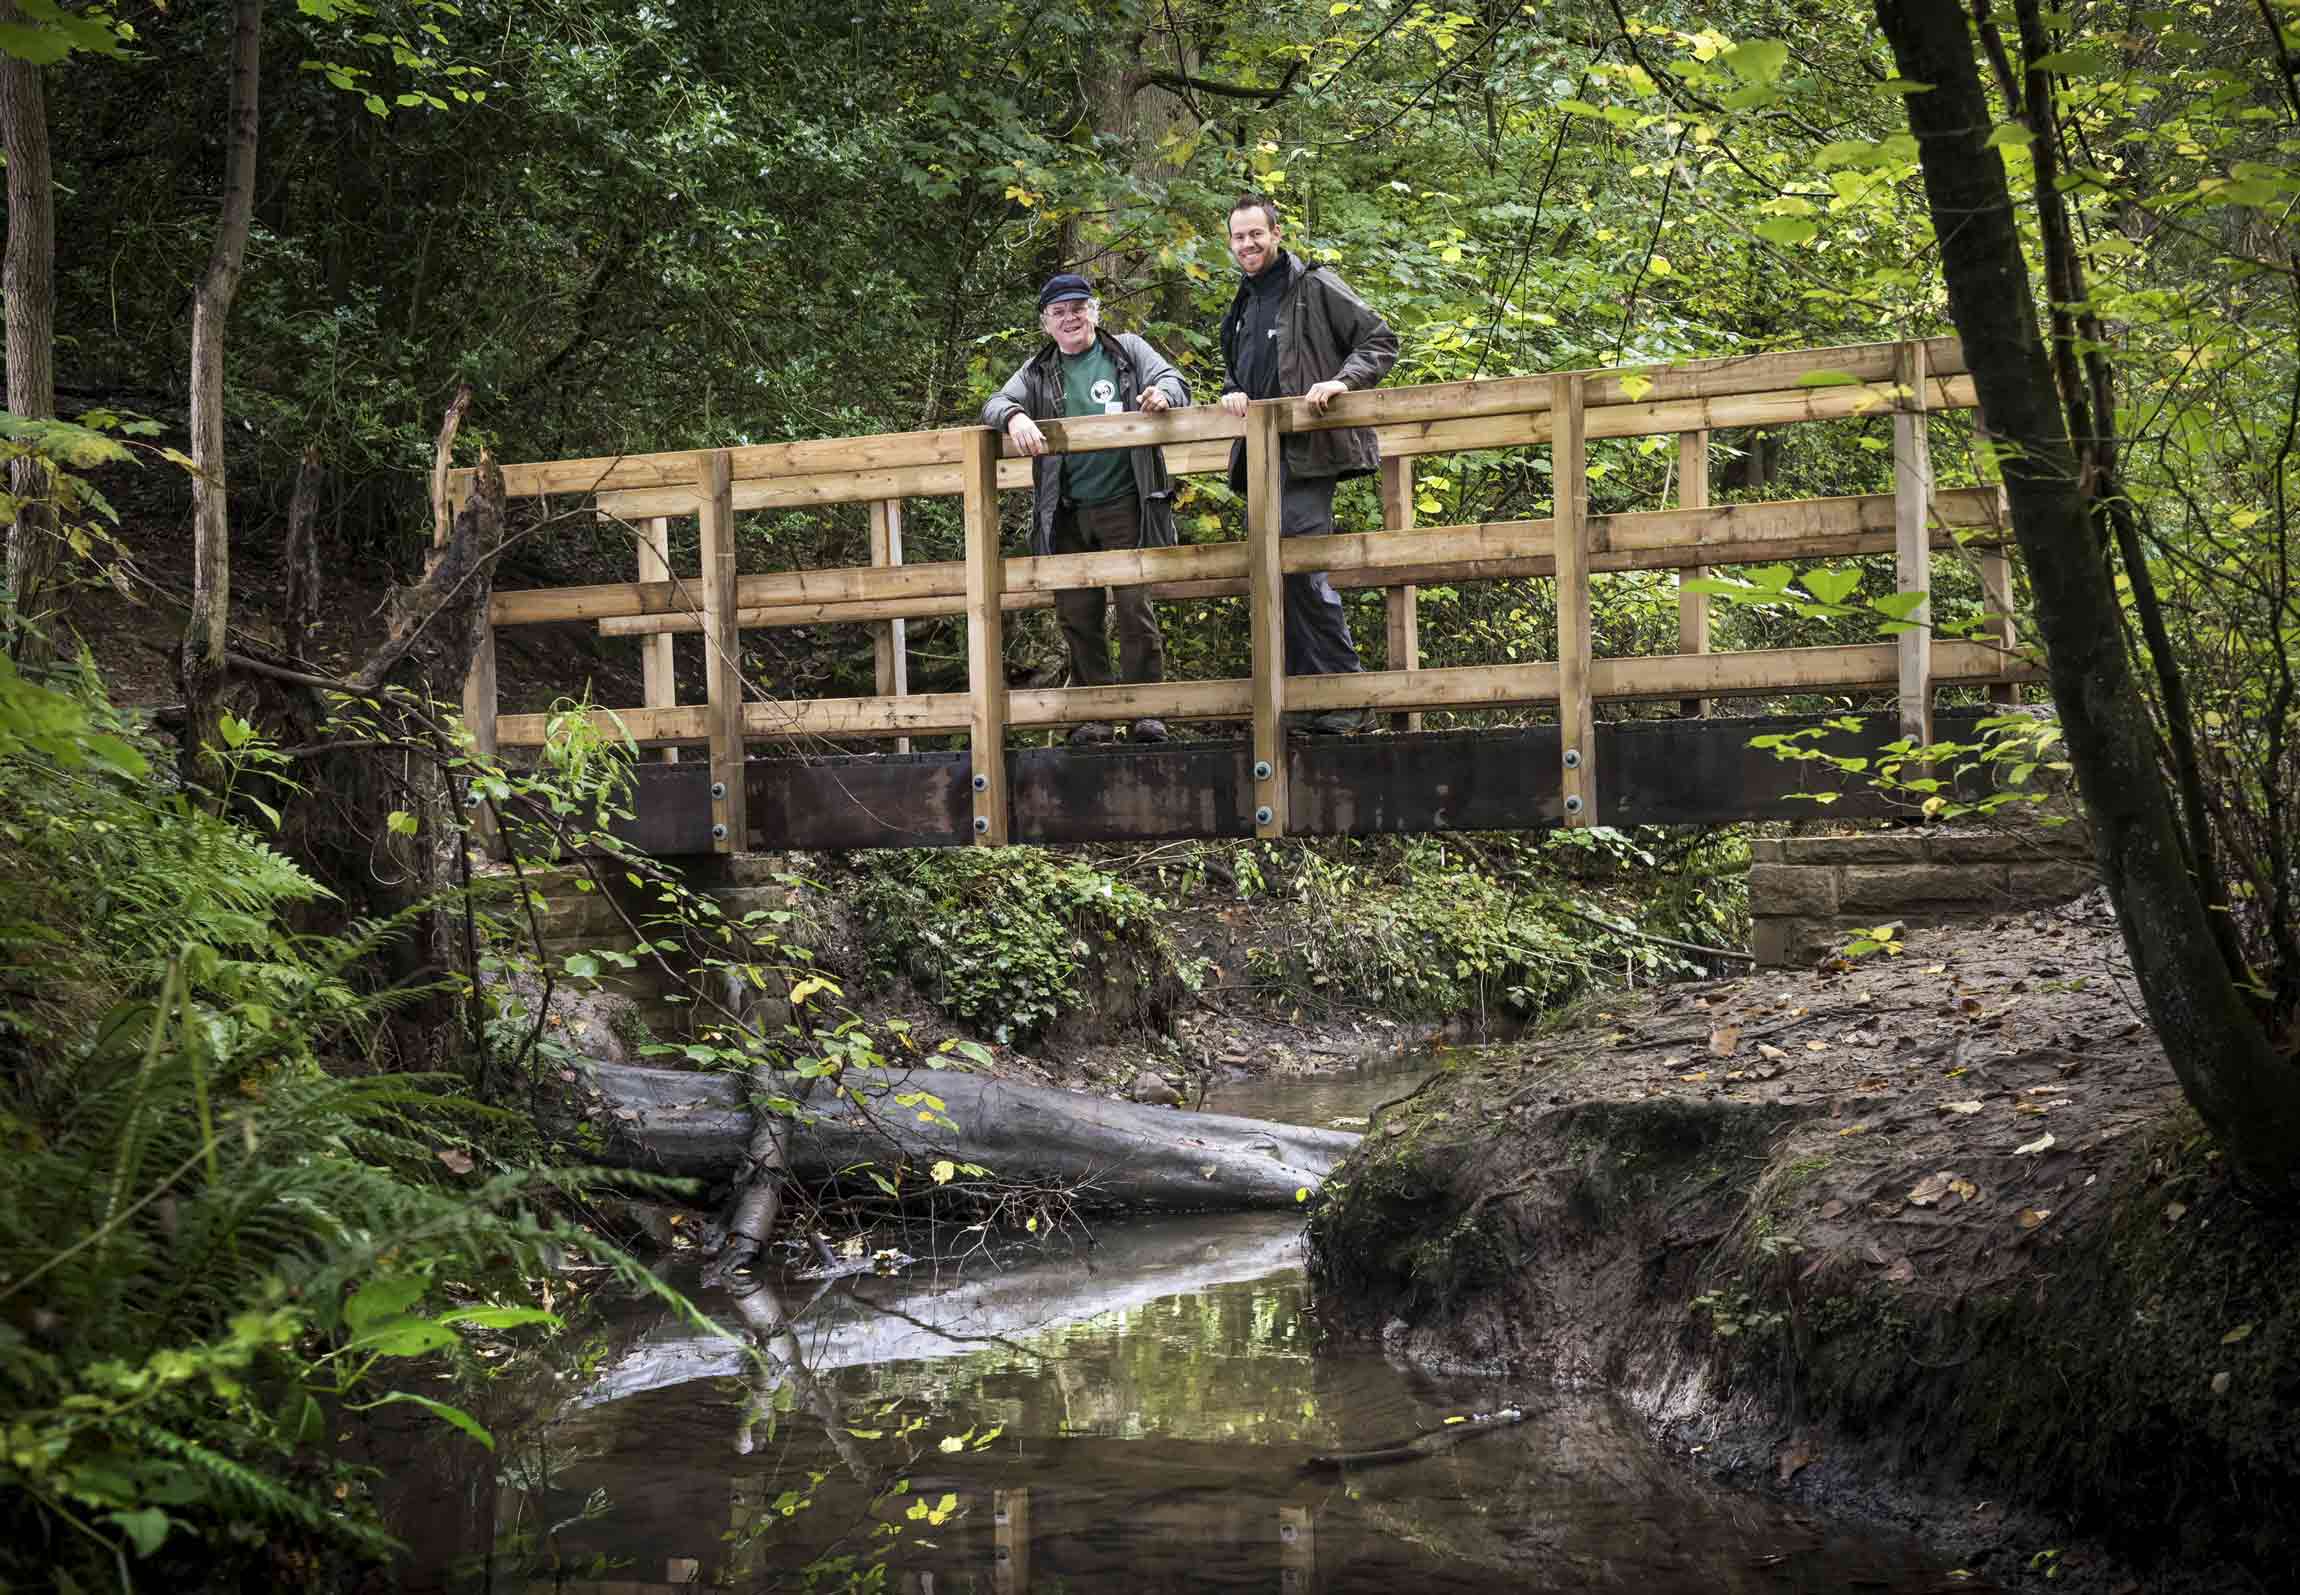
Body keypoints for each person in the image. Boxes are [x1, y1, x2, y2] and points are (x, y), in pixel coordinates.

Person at [982, 273, 1191, 744]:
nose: (1070, 318)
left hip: (1127, 501)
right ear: (1046, 324)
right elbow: (994, 402)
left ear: (1094, 311)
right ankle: (1093, 717)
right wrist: (1015, 416)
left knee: (1136, 610)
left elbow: (1175, 380)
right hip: (1066, 511)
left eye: (1078, 307)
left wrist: (1162, 395)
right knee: (1078, 616)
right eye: (1059, 312)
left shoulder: (1128, 350)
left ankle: (1146, 712)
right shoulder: (1037, 370)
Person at [1218, 192, 1399, 734]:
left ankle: (1347, 696)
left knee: (1301, 569)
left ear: (1276, 234)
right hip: (1261, 456)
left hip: (1308, 452)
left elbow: (1379, 338)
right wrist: (1231, 390)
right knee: (1272, 577)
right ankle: (1305, 701)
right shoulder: (1244, 302)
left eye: (1256, 234)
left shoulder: (1313, 286)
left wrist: (1342, 381)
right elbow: (1242, 368)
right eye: (1238, 237)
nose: (1248, 244)